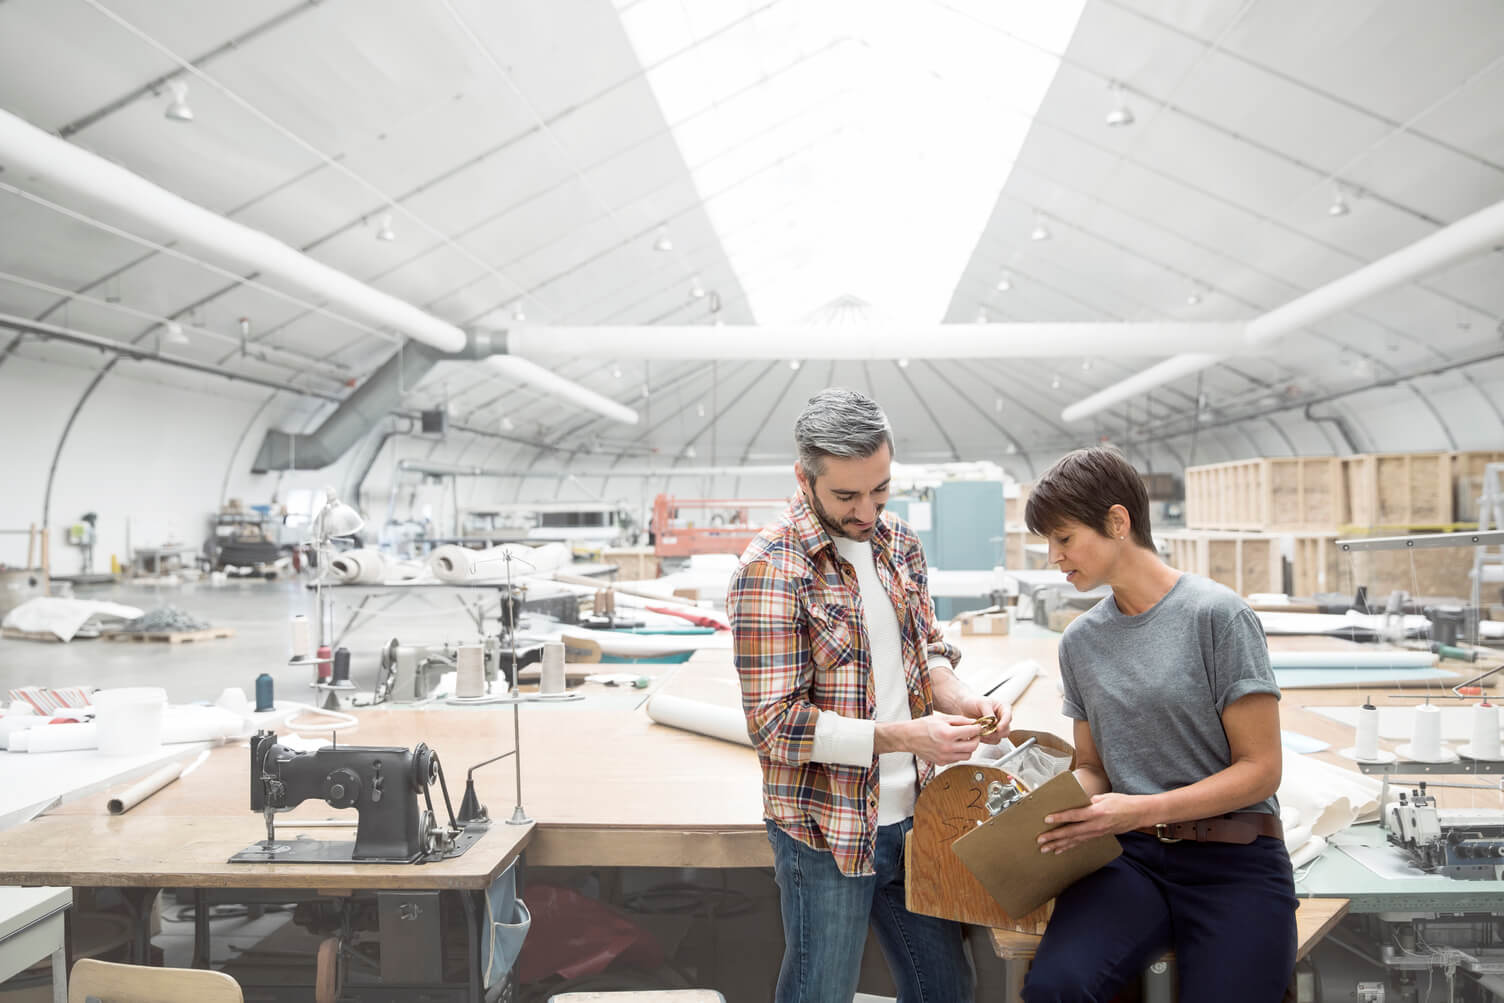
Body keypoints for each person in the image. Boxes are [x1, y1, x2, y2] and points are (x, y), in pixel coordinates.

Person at [727, 387, 1009, 1003]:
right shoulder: (773, 568)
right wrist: (906, 736)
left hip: (918, 820)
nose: (866, 511)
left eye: (880, 488)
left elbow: (925, 650)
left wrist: (960, 697)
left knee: (947, 989)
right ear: (805, 479)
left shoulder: (899, 543)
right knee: (819, 991)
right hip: (828, 828)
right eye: (846, 495)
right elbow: (777, 726)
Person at [1020, 446, 1296, 1003]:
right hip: (1131, 862)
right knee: (1055, 989)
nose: (1053, 555)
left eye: (1064, 537)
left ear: (1118, 522)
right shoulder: (1080, 641)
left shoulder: (1218, 616)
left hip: (1235, 859)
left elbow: (1261, 771)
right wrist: (1040, 806)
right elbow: (1096, 767)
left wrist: (1141, 807)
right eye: (1047, 542)